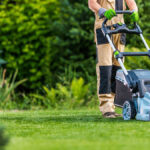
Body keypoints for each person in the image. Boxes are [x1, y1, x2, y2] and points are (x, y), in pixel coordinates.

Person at [88, 0, 139, 118]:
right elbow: (92, 4)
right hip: (103, 28)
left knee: (118, 68)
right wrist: (103, 11)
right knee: (105, 67)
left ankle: (115, 104)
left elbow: (131, 3)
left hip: (120, 29)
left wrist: (134, 11)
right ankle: (106, 107)